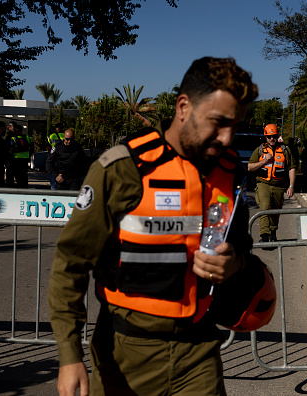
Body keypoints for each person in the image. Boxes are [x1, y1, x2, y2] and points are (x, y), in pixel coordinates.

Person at [48, 57, 272, 396]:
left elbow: (239, 242)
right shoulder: (123, 169)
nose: (228, 138)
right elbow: (70, 264)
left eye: (236, 126)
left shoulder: (229, 172)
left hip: (199, 352)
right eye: (218, 122)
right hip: (124, 352)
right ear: (184, 106)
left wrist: (235, 262)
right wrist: (69, 356)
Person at [247, 124, 297, 243]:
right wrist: (264, 160)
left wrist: (291, 186)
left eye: (274, 136)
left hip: (279, 186)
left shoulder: (285, 150)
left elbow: (292, 168)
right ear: (266, 137)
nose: (272, 139)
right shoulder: (260, 150)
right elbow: (249, 167)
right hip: (263, 184)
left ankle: (273, 233)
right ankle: (264, 236)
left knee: (275, 211)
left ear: (277, 136)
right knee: (265, 208)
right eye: (269, 137)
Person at [7, 124, 32, 188]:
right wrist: (29, 156)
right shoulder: (27, 137)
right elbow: (32, 148)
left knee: (17, 175)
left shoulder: (14, 139)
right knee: (24, 175)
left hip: (17, 160)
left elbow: (11, 150)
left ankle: (19, 187)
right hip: (25, 160)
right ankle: (24, 187)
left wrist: (10, 158)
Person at [47, 124, 65, 190]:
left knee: (52, 173)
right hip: (62, 157)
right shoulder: (65, 135)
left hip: (53, 157)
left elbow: (48, 147)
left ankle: (53, 189)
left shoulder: (51, 136)